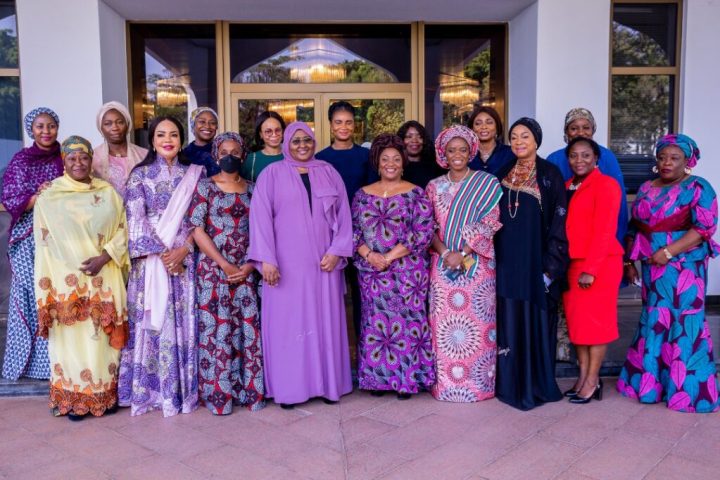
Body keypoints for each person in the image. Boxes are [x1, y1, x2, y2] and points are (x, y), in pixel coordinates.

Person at [249, 121, 353, 408]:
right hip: (285, 266)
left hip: (325, 265)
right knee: (288, 325)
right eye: (295, 141)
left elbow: (344, 216)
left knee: (324, 322)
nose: (302, 146)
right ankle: (290, 388)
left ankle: (327, 386)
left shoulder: (329, 173)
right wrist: (266, 260)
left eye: (306, 140)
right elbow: (259, 220)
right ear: (285, 144)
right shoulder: (271, 175)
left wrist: (337, 251)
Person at [617, 134, 720, 413]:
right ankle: (652, 385)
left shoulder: (699, 187)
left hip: (684, 268)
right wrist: (630, 262)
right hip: (653, 268)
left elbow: (703, 229)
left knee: (684, 324)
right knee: (655, 319)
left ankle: (686, 392)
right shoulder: (647, 187)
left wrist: (670, 251)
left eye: (674, 158)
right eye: (662, 157)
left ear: (688, 161)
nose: (666, 163)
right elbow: (635, 226)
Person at [34, 136, 129, 420]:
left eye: (84, 157)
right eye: (72, 158)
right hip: (66, 283)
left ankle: (103, 396)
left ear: (92, 160)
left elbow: (123, 229)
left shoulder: (108, 192)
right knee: (70, 341)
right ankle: (74, 401)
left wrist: (104, 257)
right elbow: (44, 241)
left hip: (103, 276)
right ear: (64, 161)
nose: (78, 163)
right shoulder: (50, 195)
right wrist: (67, 273)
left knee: (99, 341)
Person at [118, 116, 204, 417]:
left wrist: (184, 249)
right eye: (160, 134)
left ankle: (182, 392)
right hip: (152, 266)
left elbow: (199, 219)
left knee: (182, 323)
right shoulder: (139, 177)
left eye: (174, 134)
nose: (168, 139)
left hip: (184, 262)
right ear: (152, 141)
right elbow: (135, 220)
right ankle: (151, 393)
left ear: (181, 139)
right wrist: (163, 253)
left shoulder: (195, 175)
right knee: (152, 323)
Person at [352, 133, 435, 399]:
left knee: (406, 323)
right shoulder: (362, 195)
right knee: (375, 325)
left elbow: (421, 233)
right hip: (371, 273)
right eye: (385, 159)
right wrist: (369, 255)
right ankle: (377, 379)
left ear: (403, 163)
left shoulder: (416, 193)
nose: (390, 164)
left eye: (396, 159)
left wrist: (388, 257)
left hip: (407, 274)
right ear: (377, 163)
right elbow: (352, 233)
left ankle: (404, 380)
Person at [188, 131, 265, 414]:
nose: (229, 157)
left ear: (243, 156)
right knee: (217, 331)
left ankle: (250, 392)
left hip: (247, 269)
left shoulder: (255, 189)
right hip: (214, 271)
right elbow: (196, 229)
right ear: (216, 155)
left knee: (246, 331)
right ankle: (220, 396)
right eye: (224, 152)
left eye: (235, 152)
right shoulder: (205, 187)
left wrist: (249, 264)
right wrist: (223, 263)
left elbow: (263, 231)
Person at [494, 117, 568, 411]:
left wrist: (550, 269)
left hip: (537, 267)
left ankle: (536, 385)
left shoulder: (550, 175)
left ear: (536, 140)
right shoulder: (502, 172)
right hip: (507, 266)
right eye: (514, 137)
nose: (519, 142)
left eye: (525, 136)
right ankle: (510, 384)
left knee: (535, 322)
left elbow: (560, 223)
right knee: (509, 321)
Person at [426, 125, 503, 403]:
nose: (456, 154)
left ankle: (478, 385)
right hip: (443, 265)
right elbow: (428, 227)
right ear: (442, 153)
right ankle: (446, 386)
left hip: (476, 267)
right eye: (451, 150)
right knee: (444, 327)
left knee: (477, 327)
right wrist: (447, 253)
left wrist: (464, 252)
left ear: (471, 151)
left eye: (462, 149)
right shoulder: (433, 187)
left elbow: (490, 222)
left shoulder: (488, 183)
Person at [1, 107, 63, 381]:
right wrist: (40, 197)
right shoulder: (21, 160)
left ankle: (58, 363)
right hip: (29, 238)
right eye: (40, 127)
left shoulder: (67, 156)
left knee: (58, 295)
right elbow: (11, 197)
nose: (46, 131)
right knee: (32, 295)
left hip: (60, 235)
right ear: (31, 130)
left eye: (50, 126)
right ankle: (29, 364)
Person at [562, 137, 623, 404]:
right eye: (574, 155)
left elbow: (605, 230)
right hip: (573, 264)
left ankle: (593, 380)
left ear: (597, 158)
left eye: (585, 155)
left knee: (596, 325)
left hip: (599, 264)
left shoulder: (606, 185)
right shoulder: (568, 186)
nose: (579, 160)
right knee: (579, 326)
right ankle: (583, 376)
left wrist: (592, 269)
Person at [316, 101, 375, 338]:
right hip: (330, 237)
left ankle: (364, 357)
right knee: (331, 297)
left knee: (363, 297)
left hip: (363, 236)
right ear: (330, 125)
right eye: (338, 122)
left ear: (355, 125)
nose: (344, 127)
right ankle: (335, 354)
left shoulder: (366, 156)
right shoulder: (320, 159)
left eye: (348, 122)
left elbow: (372, 195)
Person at [546, 107, 628, 243]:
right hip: (563, 236)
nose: (580, 133)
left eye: (586, 128)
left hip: (601, 238)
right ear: (566, 132)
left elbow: (620, 205)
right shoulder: (554, 159)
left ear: (593, 131)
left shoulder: (606, 157)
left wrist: (620, 241)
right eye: (574, 128)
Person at [92, 101, 148, 197]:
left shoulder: (144, 155)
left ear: (127, 125)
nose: (115, 128)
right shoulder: (92, 157)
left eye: (120, 122)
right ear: (101, 128)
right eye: (108, 124)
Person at [466, 106, 515, 176]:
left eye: (489, 122)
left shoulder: (511, 153)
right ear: (472, 129)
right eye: (478, 123)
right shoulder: (465, 155)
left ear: (497, 127)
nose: (483, 127)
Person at [396, 120, 444, 189]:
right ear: (401, 140)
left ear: (424, 140)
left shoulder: (436, 168)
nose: (414, 141)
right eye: (409, 137)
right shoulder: (396, 167)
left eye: (419, 137)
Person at [240, 111, 286, 182]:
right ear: (260, 134)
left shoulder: (292, 157)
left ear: (282, 131)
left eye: (277, 130)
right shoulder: (251, 160)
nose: (274, 135)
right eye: (268, 131)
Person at [182, 107, 220, 176]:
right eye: (202, 122)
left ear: (216, 127)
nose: (207, 126)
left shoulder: (222, 152)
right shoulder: (184, 155)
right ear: (193, 125)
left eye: (212, 123)